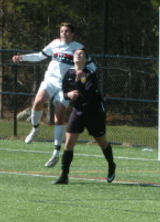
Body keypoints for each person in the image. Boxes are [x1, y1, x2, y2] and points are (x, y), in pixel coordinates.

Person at [12, 22, 95, 168]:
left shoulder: (78, 48)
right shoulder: (55, 43)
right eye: (62, 31)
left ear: (72, 34)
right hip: (50, 81)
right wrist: (22, 57)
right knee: (38, 102)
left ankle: (56, 152)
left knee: (59, 118)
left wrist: (82, 76)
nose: (64, 33)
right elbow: (39, 56)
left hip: (66, 87)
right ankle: (35, 129)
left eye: (67, 31)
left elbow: (92, 67)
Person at [52, 48, 115, 184]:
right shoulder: (69, 73)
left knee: (101, 141)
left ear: (86, 59)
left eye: (81, 54)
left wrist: (79, 81)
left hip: (94, 112)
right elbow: (63, 92)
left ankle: (111, 164)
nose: (78, 55)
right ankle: (64, 176)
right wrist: (68, 95)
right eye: (76, 53)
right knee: (68, 143)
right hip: (78, 111)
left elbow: (89, 94)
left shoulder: (90, 73)